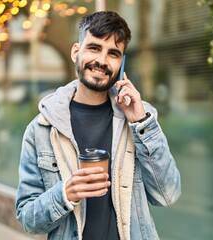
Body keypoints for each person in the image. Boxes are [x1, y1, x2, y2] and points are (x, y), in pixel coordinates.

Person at [15, 11, 181, 240]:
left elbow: (167, 195)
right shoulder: (42, 129)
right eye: (94, 48)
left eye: (113, 53)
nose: (102, 61)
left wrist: (141, 123)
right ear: (76, 52)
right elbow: (27, 219)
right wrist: (65, 194)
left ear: (121, 63)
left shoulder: (140, 120)